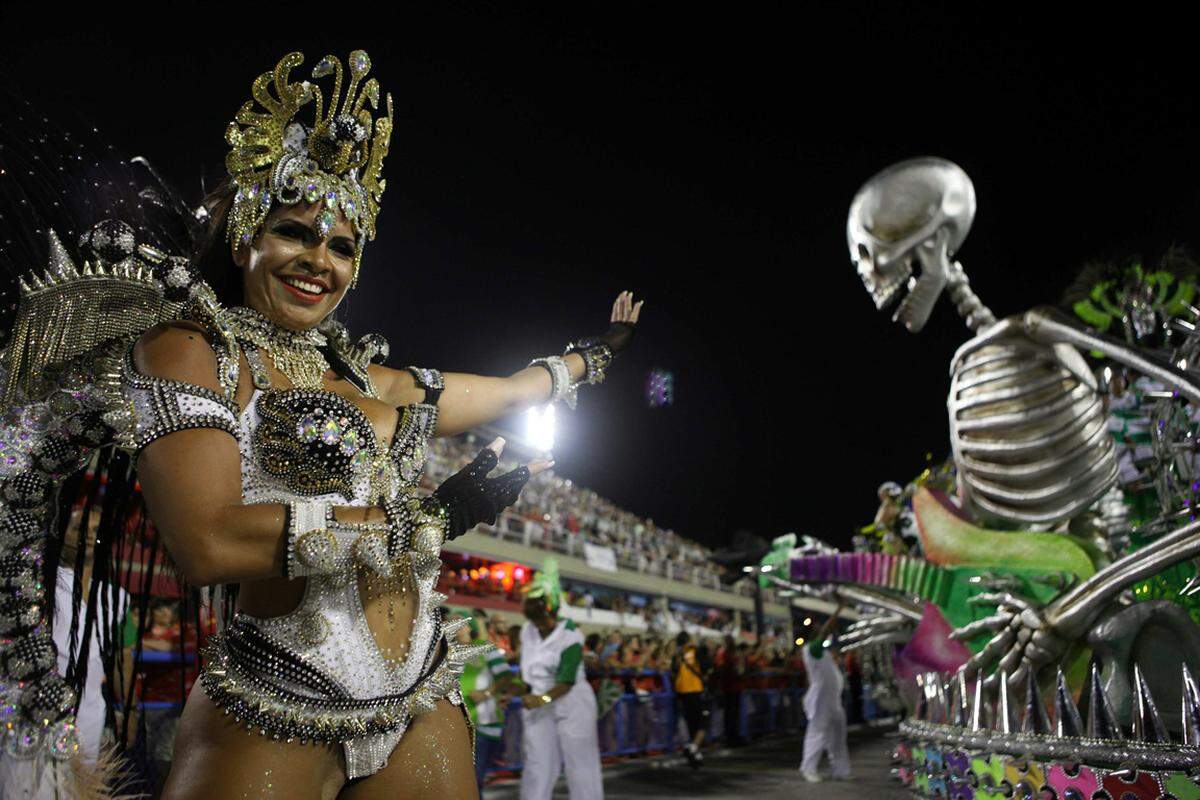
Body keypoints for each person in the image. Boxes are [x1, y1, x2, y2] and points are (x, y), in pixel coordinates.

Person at [0, 49, 642, 798]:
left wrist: (591, 358)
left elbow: (507, 389)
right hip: (279, 699)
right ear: (246, 238)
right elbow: (206, 540)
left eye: (342, 246)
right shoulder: (191, 348)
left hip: (420, 691)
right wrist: (431, 517)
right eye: (295, 233)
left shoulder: (371, 378)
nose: (319, 262)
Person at [518, 559, 604, 800]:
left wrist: (542, 698)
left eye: (541, 620)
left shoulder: (571, 636)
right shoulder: (528, 630)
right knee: (537, 764)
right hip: (539, 705)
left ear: (552, 611)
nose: (538, 626)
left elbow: (566, 682)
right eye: (534, 621)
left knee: (580, 766)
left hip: (572, 705)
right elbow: (527, 670)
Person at [458, 612, 518, 794]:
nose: (451, 626)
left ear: (469, 627)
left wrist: (487, 693)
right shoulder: (447, 653)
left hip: (484, 727)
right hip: (461, 727)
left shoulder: (485, 648)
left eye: (457, 622)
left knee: (473, 783)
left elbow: (507, 676)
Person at [800, 603, 851, 783]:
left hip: (833, 700)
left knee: (838, 736)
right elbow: (827, 629)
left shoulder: (823, 653)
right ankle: (808, 769)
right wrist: (838, 610)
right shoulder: (812, 650)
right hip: (822, 700)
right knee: (817, 734)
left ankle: (840, 770)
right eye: (819, 631)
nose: (823, 631)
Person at [671, 631, 708, 768]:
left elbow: (673, 672)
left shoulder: (677, 655)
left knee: (692, 723)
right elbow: (705, 667)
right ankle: (692, 748)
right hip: (695, 690)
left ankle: (696, 755)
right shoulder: (694, 651)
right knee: (704, 721)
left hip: (682, 692)